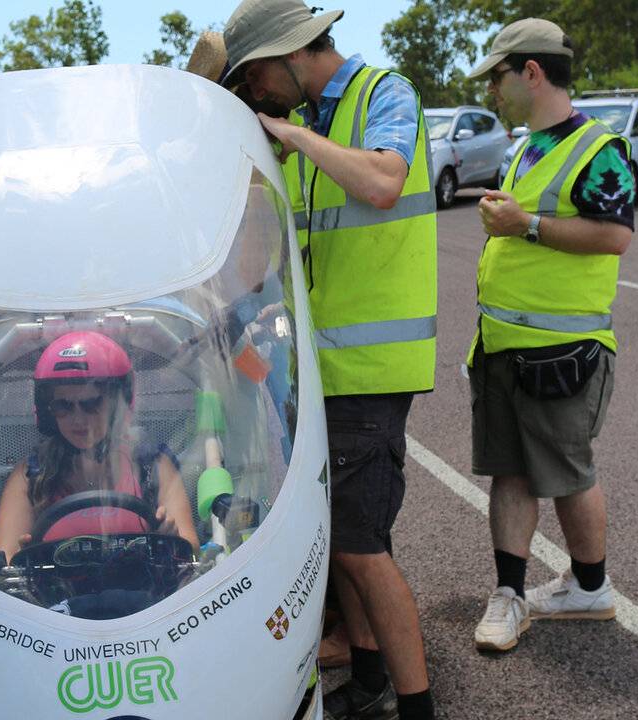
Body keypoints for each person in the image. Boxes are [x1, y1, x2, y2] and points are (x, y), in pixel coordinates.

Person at [221, 2, 438, 718]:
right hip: (328, 372)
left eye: (255, 77)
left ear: (289, 53)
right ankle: (371, 683)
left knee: (362, 549)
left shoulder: (383, 94)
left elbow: (382, 182)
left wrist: (292, 136)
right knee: (342, 538)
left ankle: (416, 704)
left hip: (372, 372)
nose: (257, 93)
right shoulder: (315, 124)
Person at [464, 19, 633, 653]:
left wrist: (526, 224)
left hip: (563, 351)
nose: (493, 90)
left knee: (568, 473)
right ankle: (509, 594)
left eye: (498, 77)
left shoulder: (599, 147)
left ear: (531, 73)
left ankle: (589, 587)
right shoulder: (525, 146)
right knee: (508, 472)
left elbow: (614, 234)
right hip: (502, 344)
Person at [0, 331, 199, 562]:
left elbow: (190, 547)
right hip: (55, 587)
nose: (78, 419)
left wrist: (170, 538)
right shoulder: (31, 475)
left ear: (116, 404)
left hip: (145, 584)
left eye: (91, 403)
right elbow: (5, 560)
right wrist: (27, 557)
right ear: (47, 411)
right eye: (63, 406)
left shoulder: (152, 465)